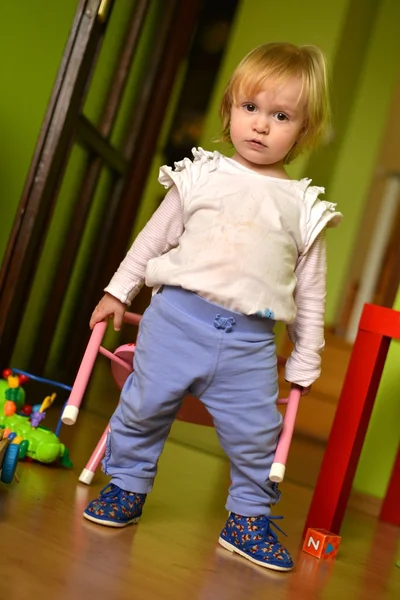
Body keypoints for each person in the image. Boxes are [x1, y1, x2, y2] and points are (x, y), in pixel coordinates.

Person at [83, 42, 342, 572]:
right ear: (229, 109)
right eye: (250, 108)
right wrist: (118, 291)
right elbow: (152, 240)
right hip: (176, 321)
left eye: (281, 115)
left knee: (257, 436)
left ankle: (246, 519)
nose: (261, 126)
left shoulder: (303, 208)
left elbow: (311, 292)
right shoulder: (201, 175)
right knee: (143, 406)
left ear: (305, 129)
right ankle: (127, 486)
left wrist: (307, 353)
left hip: (249, 343)